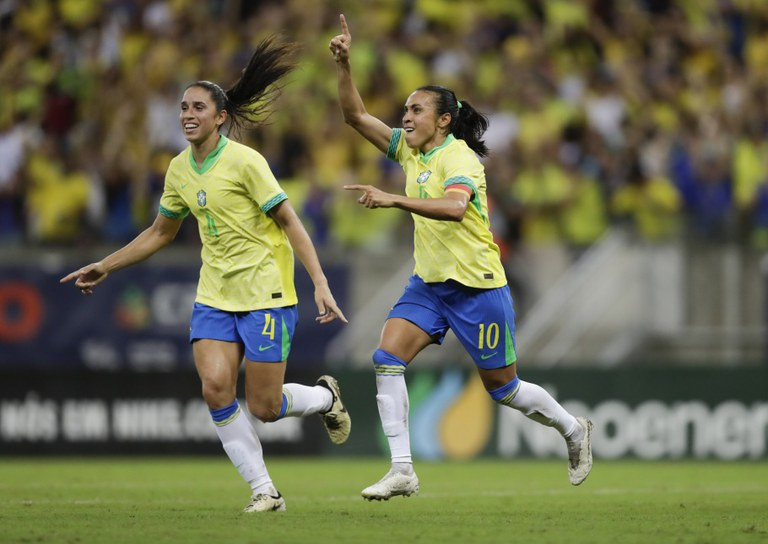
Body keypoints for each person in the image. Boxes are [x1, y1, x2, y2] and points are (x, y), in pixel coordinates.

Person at [61, 37, 351, 513]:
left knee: (265, 407)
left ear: (220, 117)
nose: (186, 114)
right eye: (182, 107)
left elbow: (290, 221)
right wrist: (106, 266)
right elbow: (160, 232)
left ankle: (323, 398)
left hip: (266, 293)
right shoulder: (177, 169)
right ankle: (265, 491)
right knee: (215, 388)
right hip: (214, 294)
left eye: (198, 106)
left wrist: (318, 282)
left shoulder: (246, 162)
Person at [329, 14, 592, 501]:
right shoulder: (410, 153)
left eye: (416, 110)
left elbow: (454, 208)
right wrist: (345, 66)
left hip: (477, 287)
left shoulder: (460, 158)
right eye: (405, 110)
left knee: (504, 389)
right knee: (386, 357)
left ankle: (572, 429)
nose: (405, 117)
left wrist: (394, 200)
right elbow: (354, 117)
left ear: (443, 120)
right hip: (429, 285)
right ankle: (403, 469)